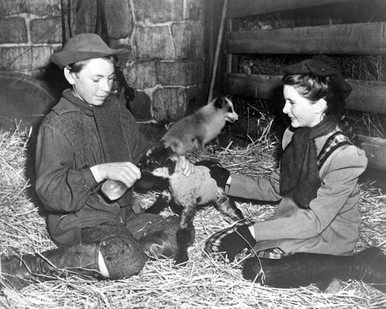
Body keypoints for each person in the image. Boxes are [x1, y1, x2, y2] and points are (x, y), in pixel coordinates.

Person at [0, 33, 194, 290]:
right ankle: (23, 268)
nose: (106, 87)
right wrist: (99, 172)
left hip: (123, 216)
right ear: (71, 76)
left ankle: (111, 254)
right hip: (81, 222)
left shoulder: (116, 111)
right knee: (126, 259)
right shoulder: (56, 125)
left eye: (110, 78)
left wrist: (170, 161)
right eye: (96, 79)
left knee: (181, 230)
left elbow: (142, 155)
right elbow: (50, 193)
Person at [203, 59, 386, 293]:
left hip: (326, 233)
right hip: (294, 222)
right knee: (215, 248)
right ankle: (322, 274)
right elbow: (274, 187)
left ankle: (354, 265)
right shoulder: (294, 135)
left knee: (257, 269)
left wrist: (252, 232)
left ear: (319, 105)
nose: (284, 110)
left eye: (292, 102)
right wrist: (226, 179)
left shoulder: (346, 156)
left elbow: (315, 222)